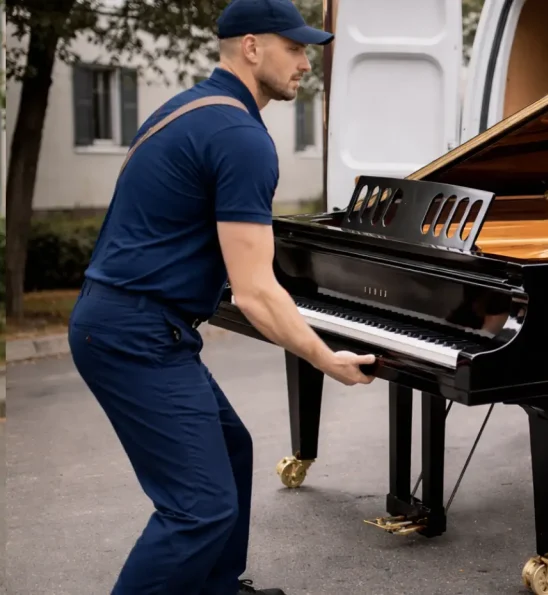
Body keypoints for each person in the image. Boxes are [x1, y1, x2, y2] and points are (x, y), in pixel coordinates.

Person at [66, 1, 376, 593]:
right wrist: (324, 356)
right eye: (295, 48)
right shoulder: (239, 137)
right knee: (197, 509)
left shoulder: (189, 108)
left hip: (127, 319)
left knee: (232, 448)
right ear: (252, 47)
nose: (306, 63)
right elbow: (257, 291)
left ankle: (215, 587)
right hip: (135, 334)